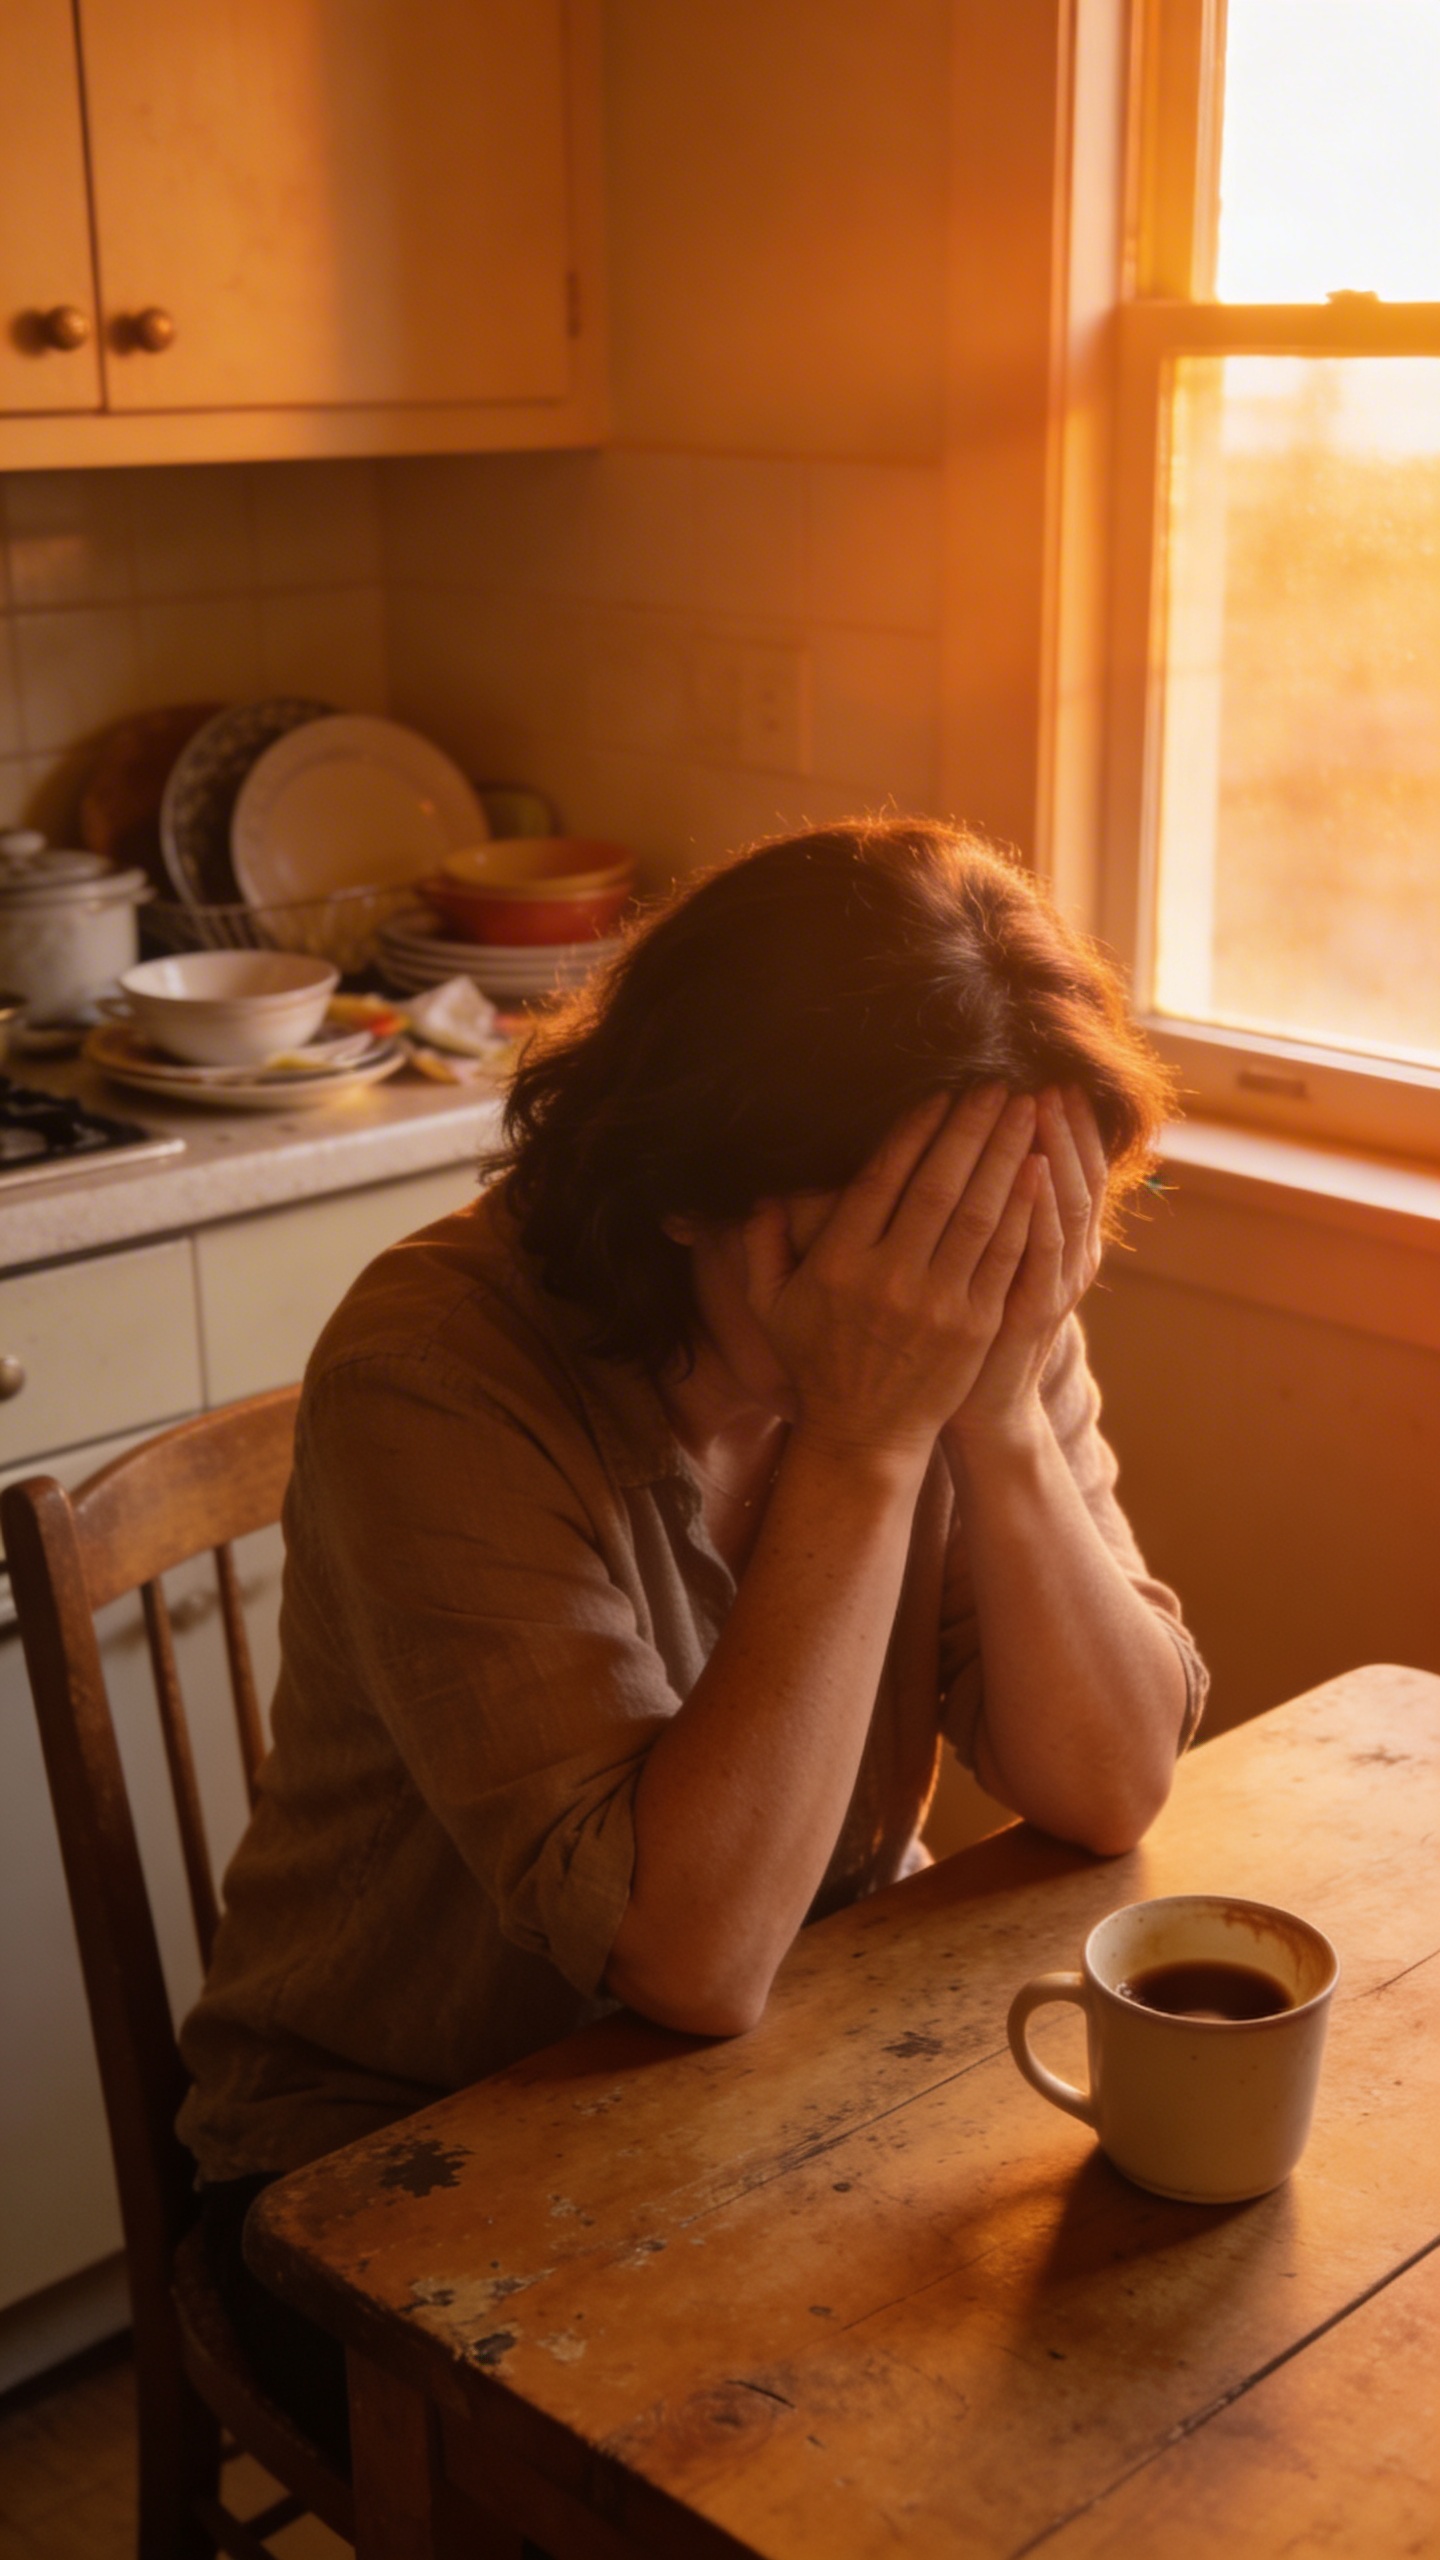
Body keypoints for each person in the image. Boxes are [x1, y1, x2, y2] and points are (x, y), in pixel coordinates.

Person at [178, 817, 1207, 2464]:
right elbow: (691, 1956)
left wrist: (1001, 1419)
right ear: (679, 1192)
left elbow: (1106, 1784)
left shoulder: (970, 1303)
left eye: (1004, 1236)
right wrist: (872, 1449)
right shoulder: (434, 1369)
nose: (946, 1294)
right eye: (896, 1238)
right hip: (382, 2168)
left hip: (795, 2072)